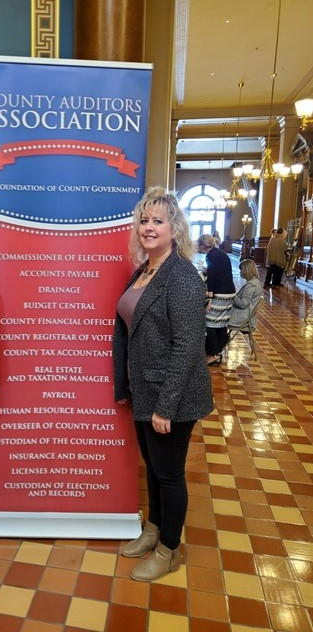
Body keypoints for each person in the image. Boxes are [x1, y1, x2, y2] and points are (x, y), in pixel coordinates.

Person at [113, 186, 213, 582]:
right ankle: (153, 531)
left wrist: (165, 406)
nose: (149, 227)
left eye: (158, 221)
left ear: (175, 229)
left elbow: (187, 346)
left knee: (169, 474)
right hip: (144, 389)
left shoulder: (182, 275)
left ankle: (169, 550)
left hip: (172, 396)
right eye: (144, 220)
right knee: (153, 468)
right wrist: (126, 385)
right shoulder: (144, 271)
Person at [197, 233, 235, 365]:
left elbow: (212, 279)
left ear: (203, 245)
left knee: (209, 322)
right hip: (230, 292)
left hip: (220, 294)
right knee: (222, 323)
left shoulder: (210, 256)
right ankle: (218, 352)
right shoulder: (220, 253)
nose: (198, 248)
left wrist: (210, 299)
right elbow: (219, 272)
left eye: (199, 245)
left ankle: (214, 354)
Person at [229, 259, 263, 329]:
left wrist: (232, 295)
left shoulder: (251, 285)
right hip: (245, 315)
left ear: (246, 270)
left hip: (241, 317)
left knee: (218, 319)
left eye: (241, 269)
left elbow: (243, 304)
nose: (240, 271)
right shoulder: (255, 282)